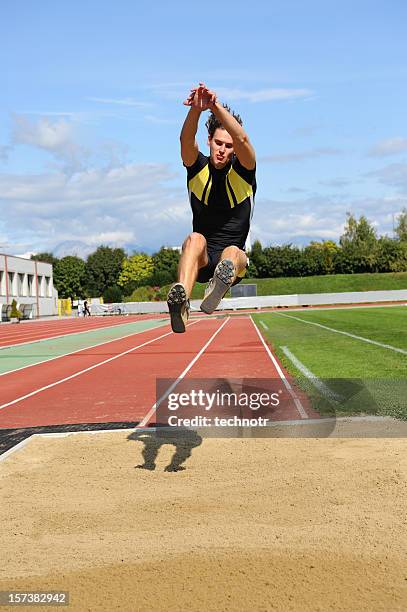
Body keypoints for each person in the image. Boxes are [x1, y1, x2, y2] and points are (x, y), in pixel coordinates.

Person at [167, 82, 256, 333]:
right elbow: (185, 139)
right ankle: (181, 300)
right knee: (194, 238)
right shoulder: (197, 167)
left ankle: (220, 282)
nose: (222, 150)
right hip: (203, 259)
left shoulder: (244, 170)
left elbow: (242, 138)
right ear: (209, 141)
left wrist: (214, 106)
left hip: (231, 258)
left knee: (233, 252)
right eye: (218, 143)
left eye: (228, 147)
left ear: (234, 150)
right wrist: (196, 109)